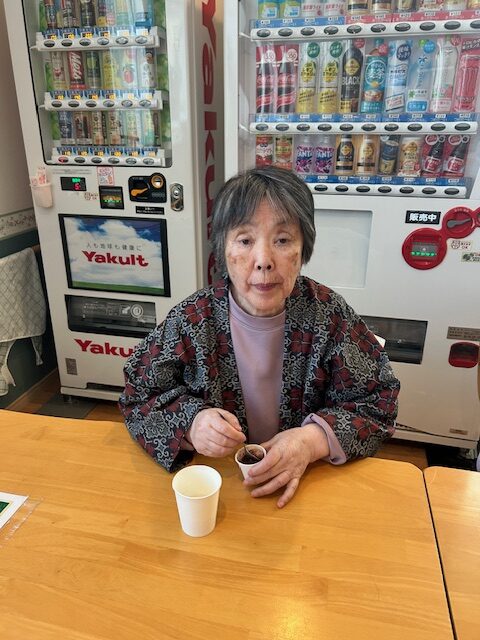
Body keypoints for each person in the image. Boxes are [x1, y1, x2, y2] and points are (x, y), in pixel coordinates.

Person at [119, 166, 400, 508]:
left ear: (303, 249)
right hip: (220, 492)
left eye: (282, 240)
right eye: (245, 240)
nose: (264, 260)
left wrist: (310, 442)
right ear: (223, 249)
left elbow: (379, 402)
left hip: (307, 488)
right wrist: (192, 424)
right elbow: (137, 396)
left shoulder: (329, 315)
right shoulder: (192, 319)